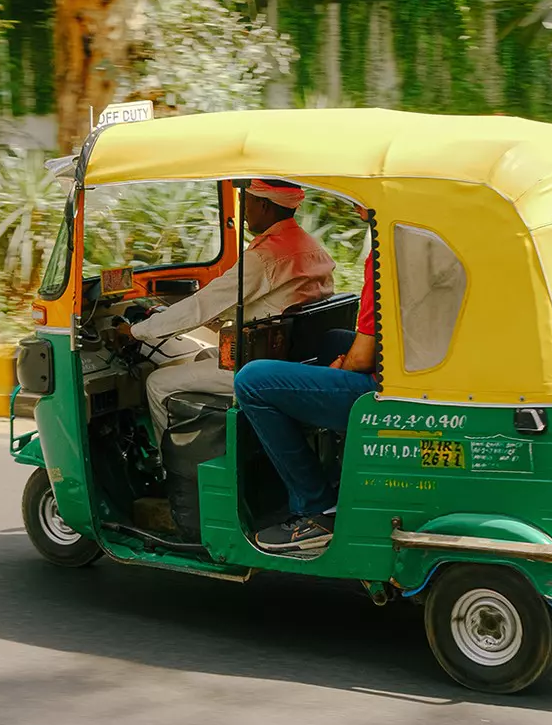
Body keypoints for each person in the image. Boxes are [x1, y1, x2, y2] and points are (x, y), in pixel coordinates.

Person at [126, 179, 335, 433]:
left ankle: (167, 466)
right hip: (295, 359)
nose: (243, 210)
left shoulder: (263, 258)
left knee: (157, 382)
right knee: (204, 356)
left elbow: (201, 306)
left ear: (263, 205)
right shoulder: (312, 248)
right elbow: (274, 301)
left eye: (246, 202)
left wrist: (135, 332)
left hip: (260, 367)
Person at [234, 247, 380, 555]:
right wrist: (342, 358)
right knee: (331, 341)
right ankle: (338, 476)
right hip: (409, 368)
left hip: (384, 388)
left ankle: (316, 508)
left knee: (251, 381)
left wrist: (343, 365)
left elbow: (364, 356)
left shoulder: (384, 254)